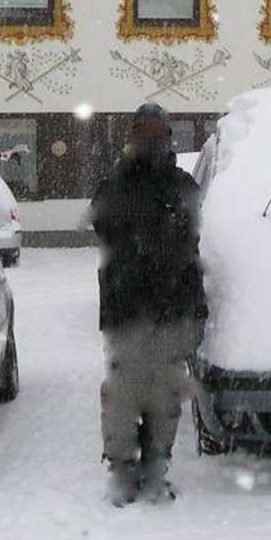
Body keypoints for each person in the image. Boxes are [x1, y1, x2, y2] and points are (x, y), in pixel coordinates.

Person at [89, 103, 208, 505]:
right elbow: (106, 228)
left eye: (157, 134)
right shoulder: (115, 185)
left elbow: (188, 242)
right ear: (131, 138)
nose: (150, 142)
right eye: (142, 133)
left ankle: (156, 466)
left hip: (171, 308)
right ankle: (122, 468)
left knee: (165, 394)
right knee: (124, 393)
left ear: (169, 139)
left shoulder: (183, 186)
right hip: (127, 310)